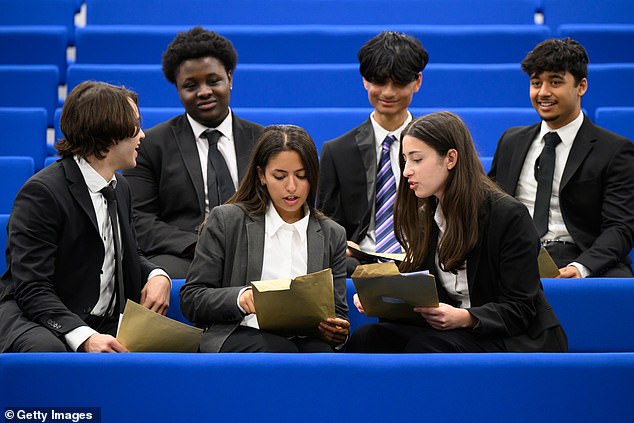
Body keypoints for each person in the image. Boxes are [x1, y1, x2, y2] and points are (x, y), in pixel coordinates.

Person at [347, 112, 567, 353]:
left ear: (451, 158)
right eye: (405, 160)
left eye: (417, 159)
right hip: (452, 331)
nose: (407, 171)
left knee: (427, 346)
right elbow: (422, 291)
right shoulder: (426, 212)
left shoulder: (508, 215)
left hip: (510, 335)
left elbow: (521, 308)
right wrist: (381, 299)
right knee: (367, 338)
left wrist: (465, 317)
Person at [0, 81, 171, 353]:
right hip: (40, 318)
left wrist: (157, 275)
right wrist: (85, 336)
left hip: (100, 319)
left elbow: (129, 254)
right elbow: (32, 288)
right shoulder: (41, 193)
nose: (142, 136)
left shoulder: (121, 187)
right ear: (110, 133)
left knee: (174, 344)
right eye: (135, 126)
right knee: (48, 352)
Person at [181, 125, 349, 353]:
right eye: (279, 176)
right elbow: (192, 298)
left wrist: (336, 331)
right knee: (280, 350)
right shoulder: (227, 220)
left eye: (302, 176)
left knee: (322, 355)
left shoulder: (332, 234)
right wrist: (240, 298)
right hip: (239, 332)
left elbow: (338, 315)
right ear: (261, 175)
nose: (292, 187)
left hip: (304, 337)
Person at [123, 26, 264, 278]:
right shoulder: (150, 145)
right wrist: (199, 244)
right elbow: (138, 219)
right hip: (185, 255)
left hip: (256, 250)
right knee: (158, 279)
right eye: (190, 85)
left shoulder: (262, 140)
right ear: (177, 89)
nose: (204, 91)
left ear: (230, 78)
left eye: (213, 81)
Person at [489, 38, 634, 277]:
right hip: (515, 252)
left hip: (578, 254)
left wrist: (581, 267)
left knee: (618, 281)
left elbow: (621, 227)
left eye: (555, 82)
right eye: (536, 83)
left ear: (581, 86)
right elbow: (488, 204)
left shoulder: (615, 150)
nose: (543, 93)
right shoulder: (511, 141)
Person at [317, 30, 429, 276]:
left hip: (426, 258)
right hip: (359, 262)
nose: (388, 92)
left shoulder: (436, 146)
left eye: (399, 82)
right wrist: (340, 242)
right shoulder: (337, 151)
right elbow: (324, 222)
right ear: (365, 80)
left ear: (417, 82)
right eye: (379, 82)